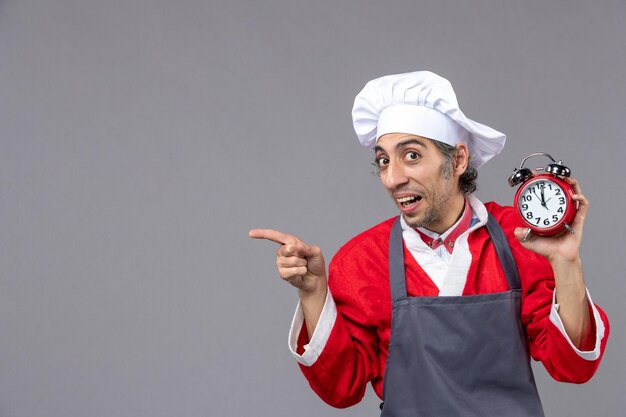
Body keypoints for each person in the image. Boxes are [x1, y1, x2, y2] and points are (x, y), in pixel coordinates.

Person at [249, 71, 609, 416]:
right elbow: (342, 388)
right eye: (383, 160)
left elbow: (573, 367)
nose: (392, 178)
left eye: (412, 156)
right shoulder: (362, 260)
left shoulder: (520, 238)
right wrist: (313, 293)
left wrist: (565, 262)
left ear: (458, 159)